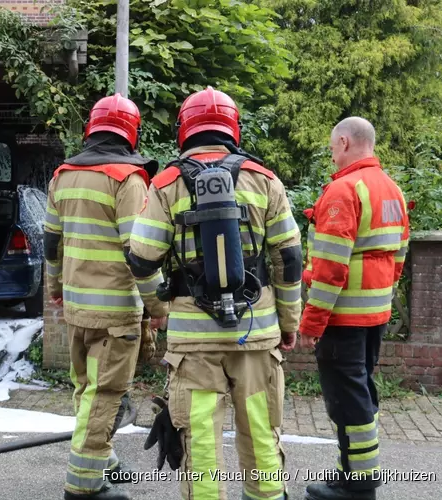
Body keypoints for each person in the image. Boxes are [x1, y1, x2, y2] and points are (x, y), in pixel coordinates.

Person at [126, 86, 303, 500]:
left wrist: (159, 307)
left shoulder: (167, 183)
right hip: (257, 334)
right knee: (261, 432)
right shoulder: (265, 180)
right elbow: (290, 259)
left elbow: (141, 259)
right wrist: (288, 322)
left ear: (183, 130)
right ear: (233, 128)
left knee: (202, 441)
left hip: (193, 341)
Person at [43, 93, 170, 500]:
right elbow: (141, 255)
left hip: (78, 308)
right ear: (130, 133)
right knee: (106, 394)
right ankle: (84, 486)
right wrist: (159, 308)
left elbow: (51, 244)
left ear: (92, 129)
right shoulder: (127, 179)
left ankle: (104, 460)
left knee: (86, 388)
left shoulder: (61, 176)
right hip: (115, 314)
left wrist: (55, 289)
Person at [299, 117, 410, 500]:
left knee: (347, 400)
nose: (332, 155)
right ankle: (354, 472)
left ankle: (357, 486)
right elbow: (400, 252)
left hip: (342, 318)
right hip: (374, 315)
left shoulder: (345, 189)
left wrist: (312, 323)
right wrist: (382, 291)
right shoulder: (391, 188)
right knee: (361, 393)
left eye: (332, 148)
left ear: (344, 142)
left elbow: (330, 267)